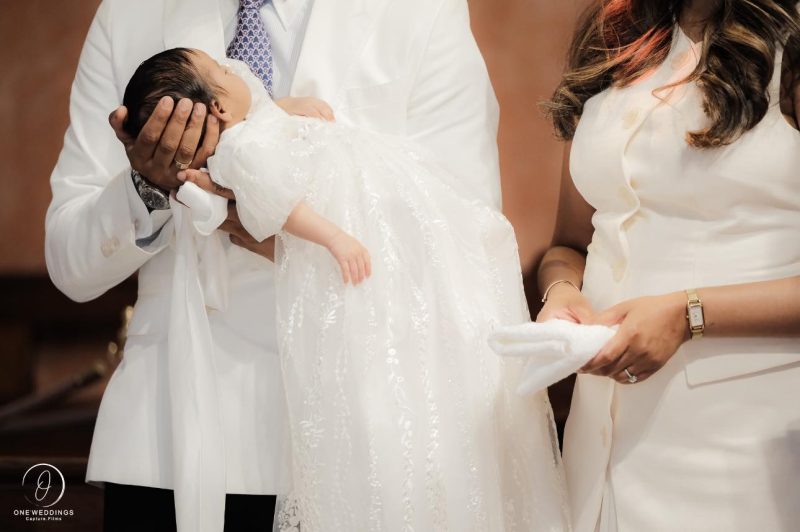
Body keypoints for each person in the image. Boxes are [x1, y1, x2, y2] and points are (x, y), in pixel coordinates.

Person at [45, 0, 504, 530]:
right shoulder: (131, 13)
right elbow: (70, 261)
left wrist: (286, 234)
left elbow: (467, 239)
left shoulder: (420, 12)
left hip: (350, 442)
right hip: (163, 441)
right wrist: (148, 189)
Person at [122, 47, 570, 531]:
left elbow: (259, 118)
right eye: (222, 71)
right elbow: (283, 205)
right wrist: (335, 238)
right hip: (249, 382)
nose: (233, 68)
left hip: (377, 185)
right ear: (217, 107)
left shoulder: (244, 129)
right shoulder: (240, 152)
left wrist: (287, 108)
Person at [537, 0, 800, 530]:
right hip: (599, 431)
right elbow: (570, 244)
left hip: (739, 433)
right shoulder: (617, 29)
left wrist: (688, 314)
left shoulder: (791, 43)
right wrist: (560, 292)